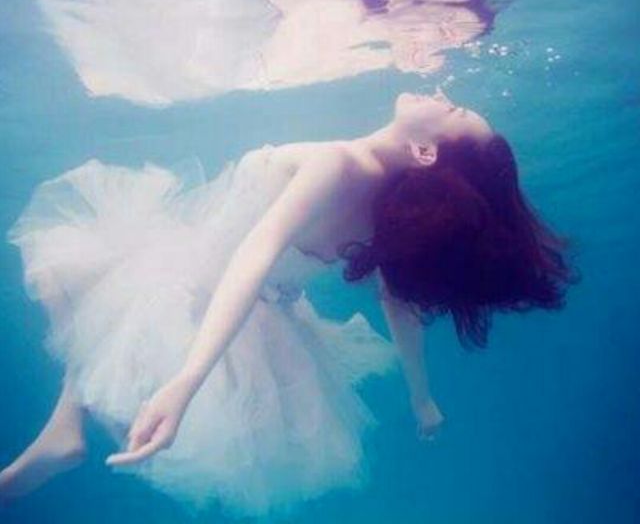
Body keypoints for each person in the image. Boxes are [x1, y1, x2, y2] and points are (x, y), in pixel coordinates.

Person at [0, 89, 574, 516]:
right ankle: (65, 421)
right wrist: (421, 398)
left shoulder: (339, 163)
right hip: (266, 313)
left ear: (424, 151)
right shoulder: (391, 212)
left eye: (454, 111)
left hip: (201, 286)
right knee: (85, 282)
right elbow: (399, 307)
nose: (443, 94)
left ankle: (66, 422)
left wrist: (189, 379)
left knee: (64, 263)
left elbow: (254, 252)